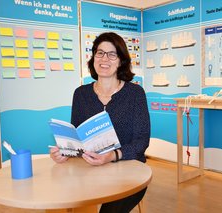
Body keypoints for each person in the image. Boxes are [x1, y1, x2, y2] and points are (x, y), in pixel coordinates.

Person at [49, 32, 150, 213]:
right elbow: (77, 136)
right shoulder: (81, 94)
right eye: (100, 53)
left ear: (121, 61)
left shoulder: (135, 94)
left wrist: (111, 156)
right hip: (89, 170)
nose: (105, 59)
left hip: (129, 170)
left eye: (112, 54)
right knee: (59, 198)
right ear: (93, 57)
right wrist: (65, 152)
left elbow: (141, 142)